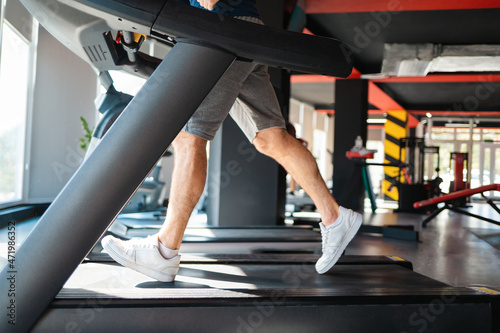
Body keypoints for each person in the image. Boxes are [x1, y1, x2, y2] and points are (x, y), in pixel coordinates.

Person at [102, 0, 362, 282]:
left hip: (223, 28)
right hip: (242, 28)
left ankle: (163, 251)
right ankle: (335, 217)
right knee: (270, 137)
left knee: (190, 134)